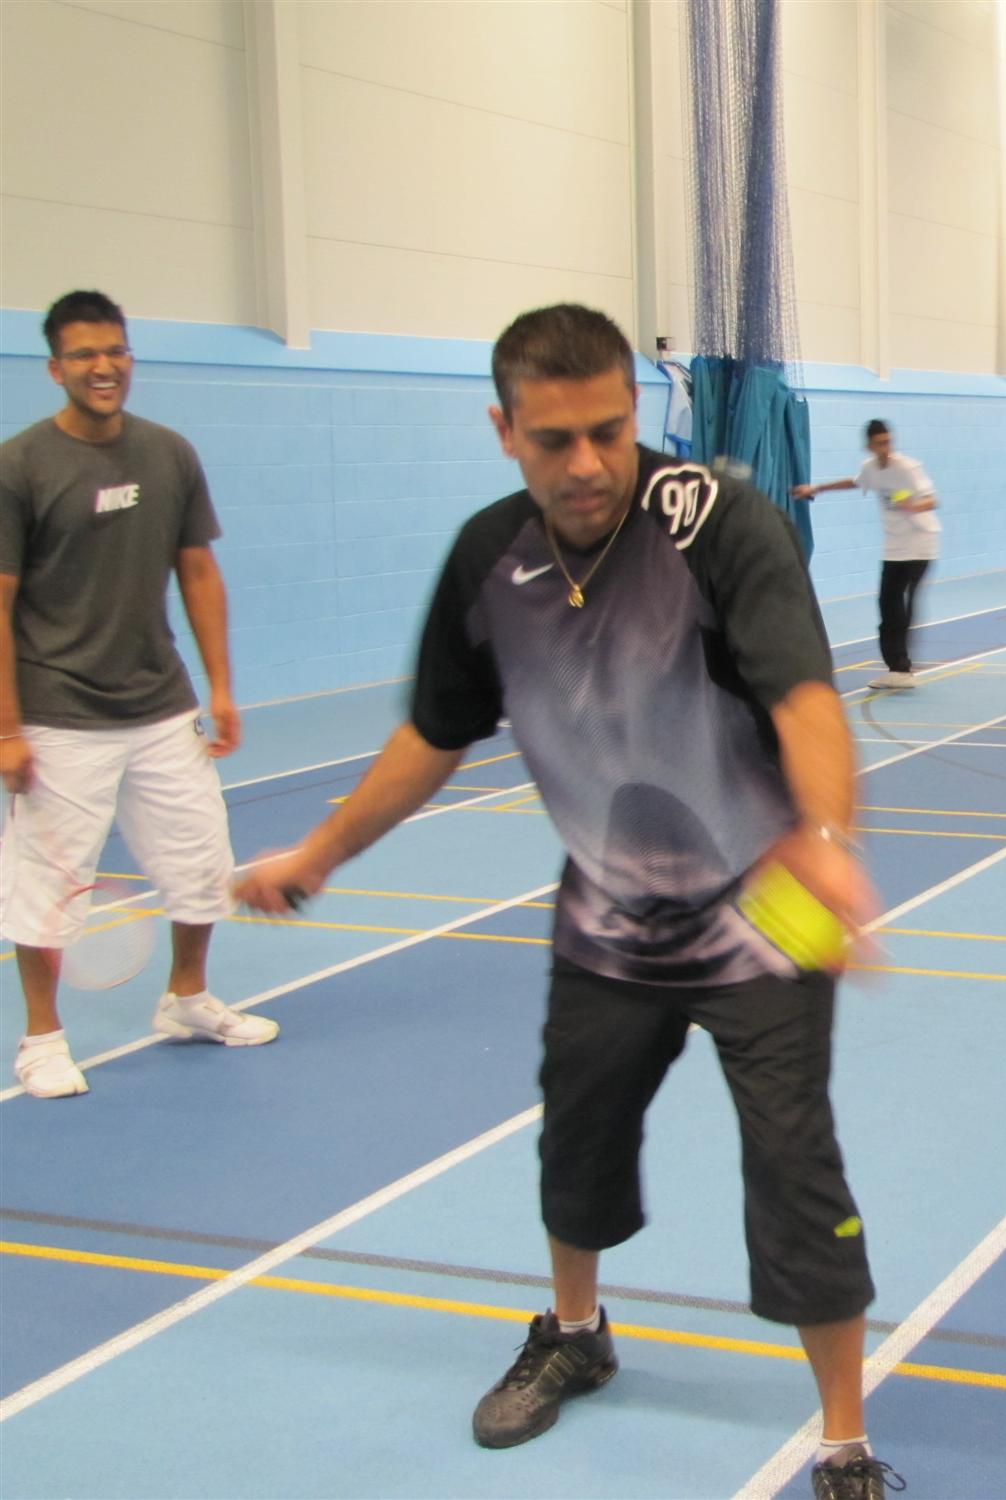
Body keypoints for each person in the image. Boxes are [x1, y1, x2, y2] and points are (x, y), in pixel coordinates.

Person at [235, 305, 898, 1500]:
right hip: (605, 919)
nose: (586, 463)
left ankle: (843, 1441)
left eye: (606, 431)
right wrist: (320, 854)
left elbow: (801, 694)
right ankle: (576, 1335)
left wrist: (824, 839)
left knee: (794, 1164)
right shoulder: (487, 560)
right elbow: (434, 734)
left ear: (633, 413)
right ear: (503, 431)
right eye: (553, 440)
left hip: (768, 908)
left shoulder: (716, 523)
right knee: (576, 1139)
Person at [0, 290, 270, 1101]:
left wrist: (222, 688)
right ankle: (41, 1040)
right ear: (55, 369)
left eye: (115, 350)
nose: (103, 366)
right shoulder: (19, 466)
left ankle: (187, 999)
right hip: (58, 714)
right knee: (47, 884)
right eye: (84, 354)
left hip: (161, 706)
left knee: (202, 863)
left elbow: (199, 572)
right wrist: (7, 729)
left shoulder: (169, 454)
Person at [794, 420, 940, 691]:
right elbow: (854, 482)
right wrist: (816, 489)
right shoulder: (870, 469)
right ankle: (898, 669)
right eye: (880, 443)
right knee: (887, 606)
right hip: (894, 549)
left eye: (889, 442)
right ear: (870, 446)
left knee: (899, 607)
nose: (886, 448)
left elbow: (933, 500)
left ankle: (900, 667)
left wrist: (913, 506)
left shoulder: (907, 468)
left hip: (921, 545)